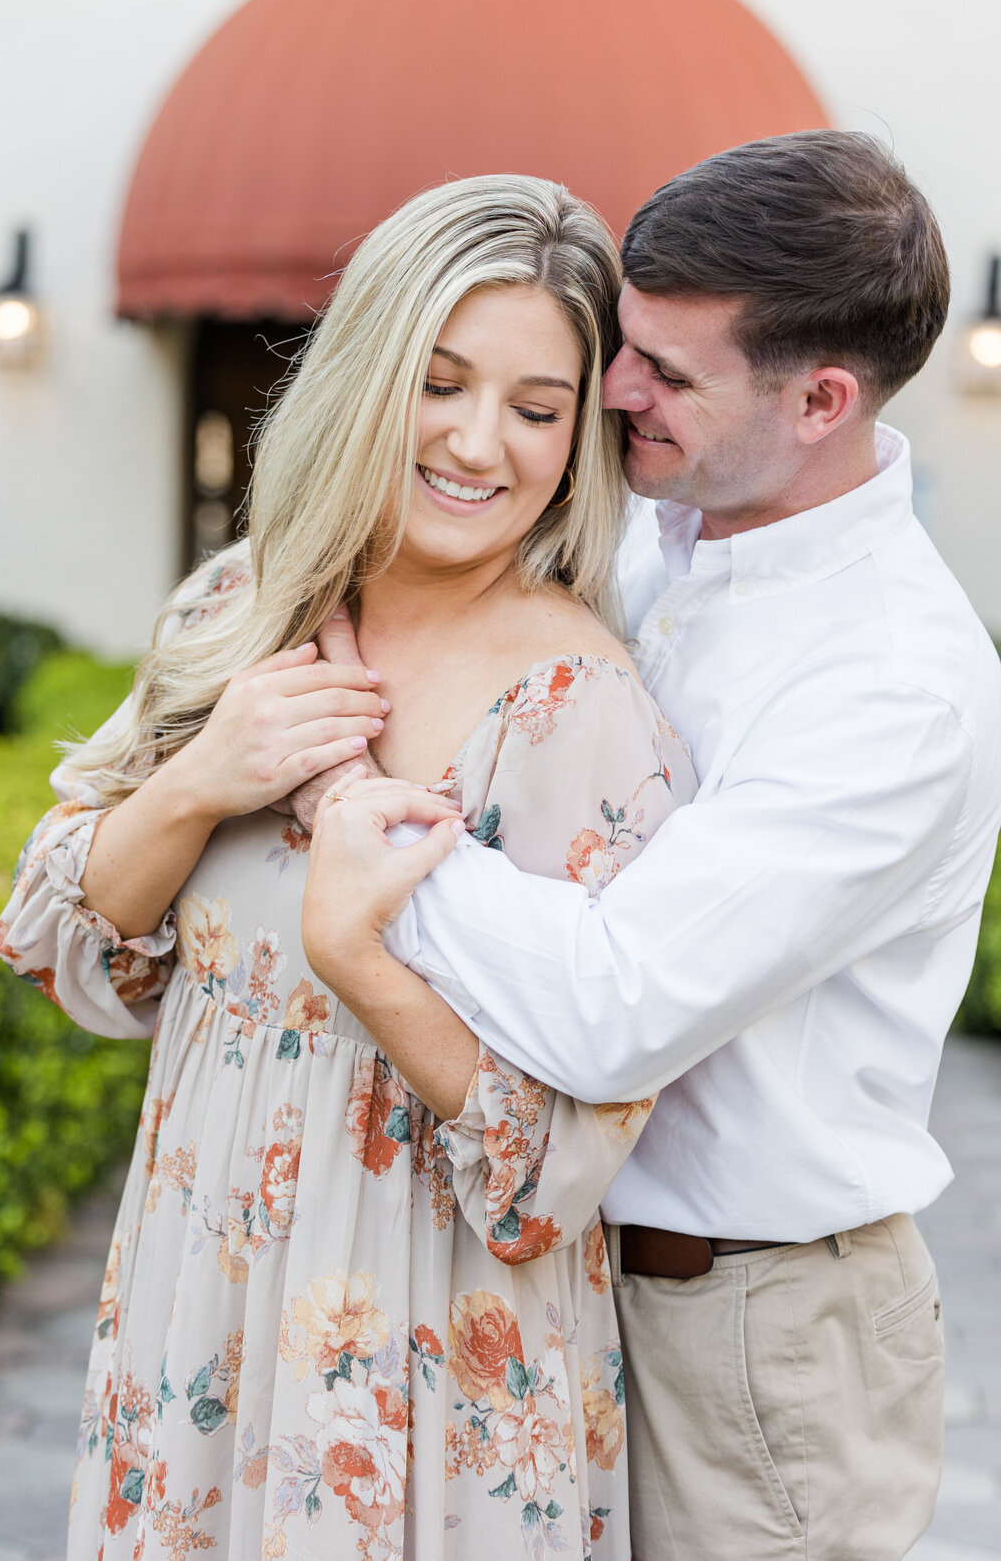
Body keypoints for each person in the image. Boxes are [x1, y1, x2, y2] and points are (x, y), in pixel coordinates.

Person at [300, 132, 1001, 1561]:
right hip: (560, 1285)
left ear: (821, 400)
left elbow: (616, 1006)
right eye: (626, 345)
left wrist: (355, 816)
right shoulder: (653, 535)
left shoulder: (891, 683)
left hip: (752, 1346)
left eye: (670, 374)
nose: (615, 392)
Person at [0, 174, 697, 1561]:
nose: (478, 443)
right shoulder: (241, 606)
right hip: (201, 1309)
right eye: (439, 382)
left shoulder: (583, 705)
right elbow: (60, 944)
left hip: (431, 1364)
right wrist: (205, 778)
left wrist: (361, 962)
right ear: (371, 374)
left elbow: (563, 1168)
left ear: (579, 437)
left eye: (537, 408)